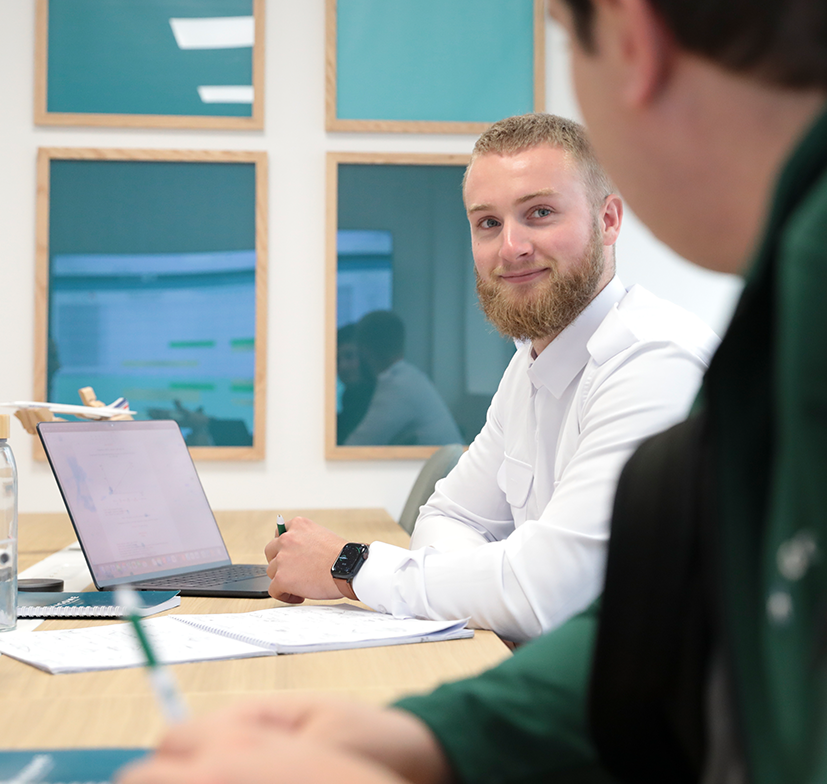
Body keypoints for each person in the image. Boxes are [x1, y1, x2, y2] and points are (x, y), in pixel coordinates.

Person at [116, 0, 827, 781]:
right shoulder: (772, 314)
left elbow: (553, 593)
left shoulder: (709, 340)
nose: (511, 246)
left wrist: (364, 570)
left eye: (568, 38)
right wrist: (426, 737)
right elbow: (674, 631)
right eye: (487, 223)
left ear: (624, 28)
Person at [263, 113, 717, 642]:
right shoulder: (528, 367)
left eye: (540, 212)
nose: (510, 247)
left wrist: (351, 566)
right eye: (488, 223)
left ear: (609, 219)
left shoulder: (654, 361)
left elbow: (542, 596)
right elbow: (448, 516)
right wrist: (500, 581)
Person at [342, 310, 462, 446]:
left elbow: (356, 447)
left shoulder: (397, 387)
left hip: (445, 467)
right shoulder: (410, 377)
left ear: (363, 350)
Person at [336, 322, 377, 445]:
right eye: (337, 359)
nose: (342, 366)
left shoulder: (380, 397)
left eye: (349, 356)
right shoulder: (349, 396)